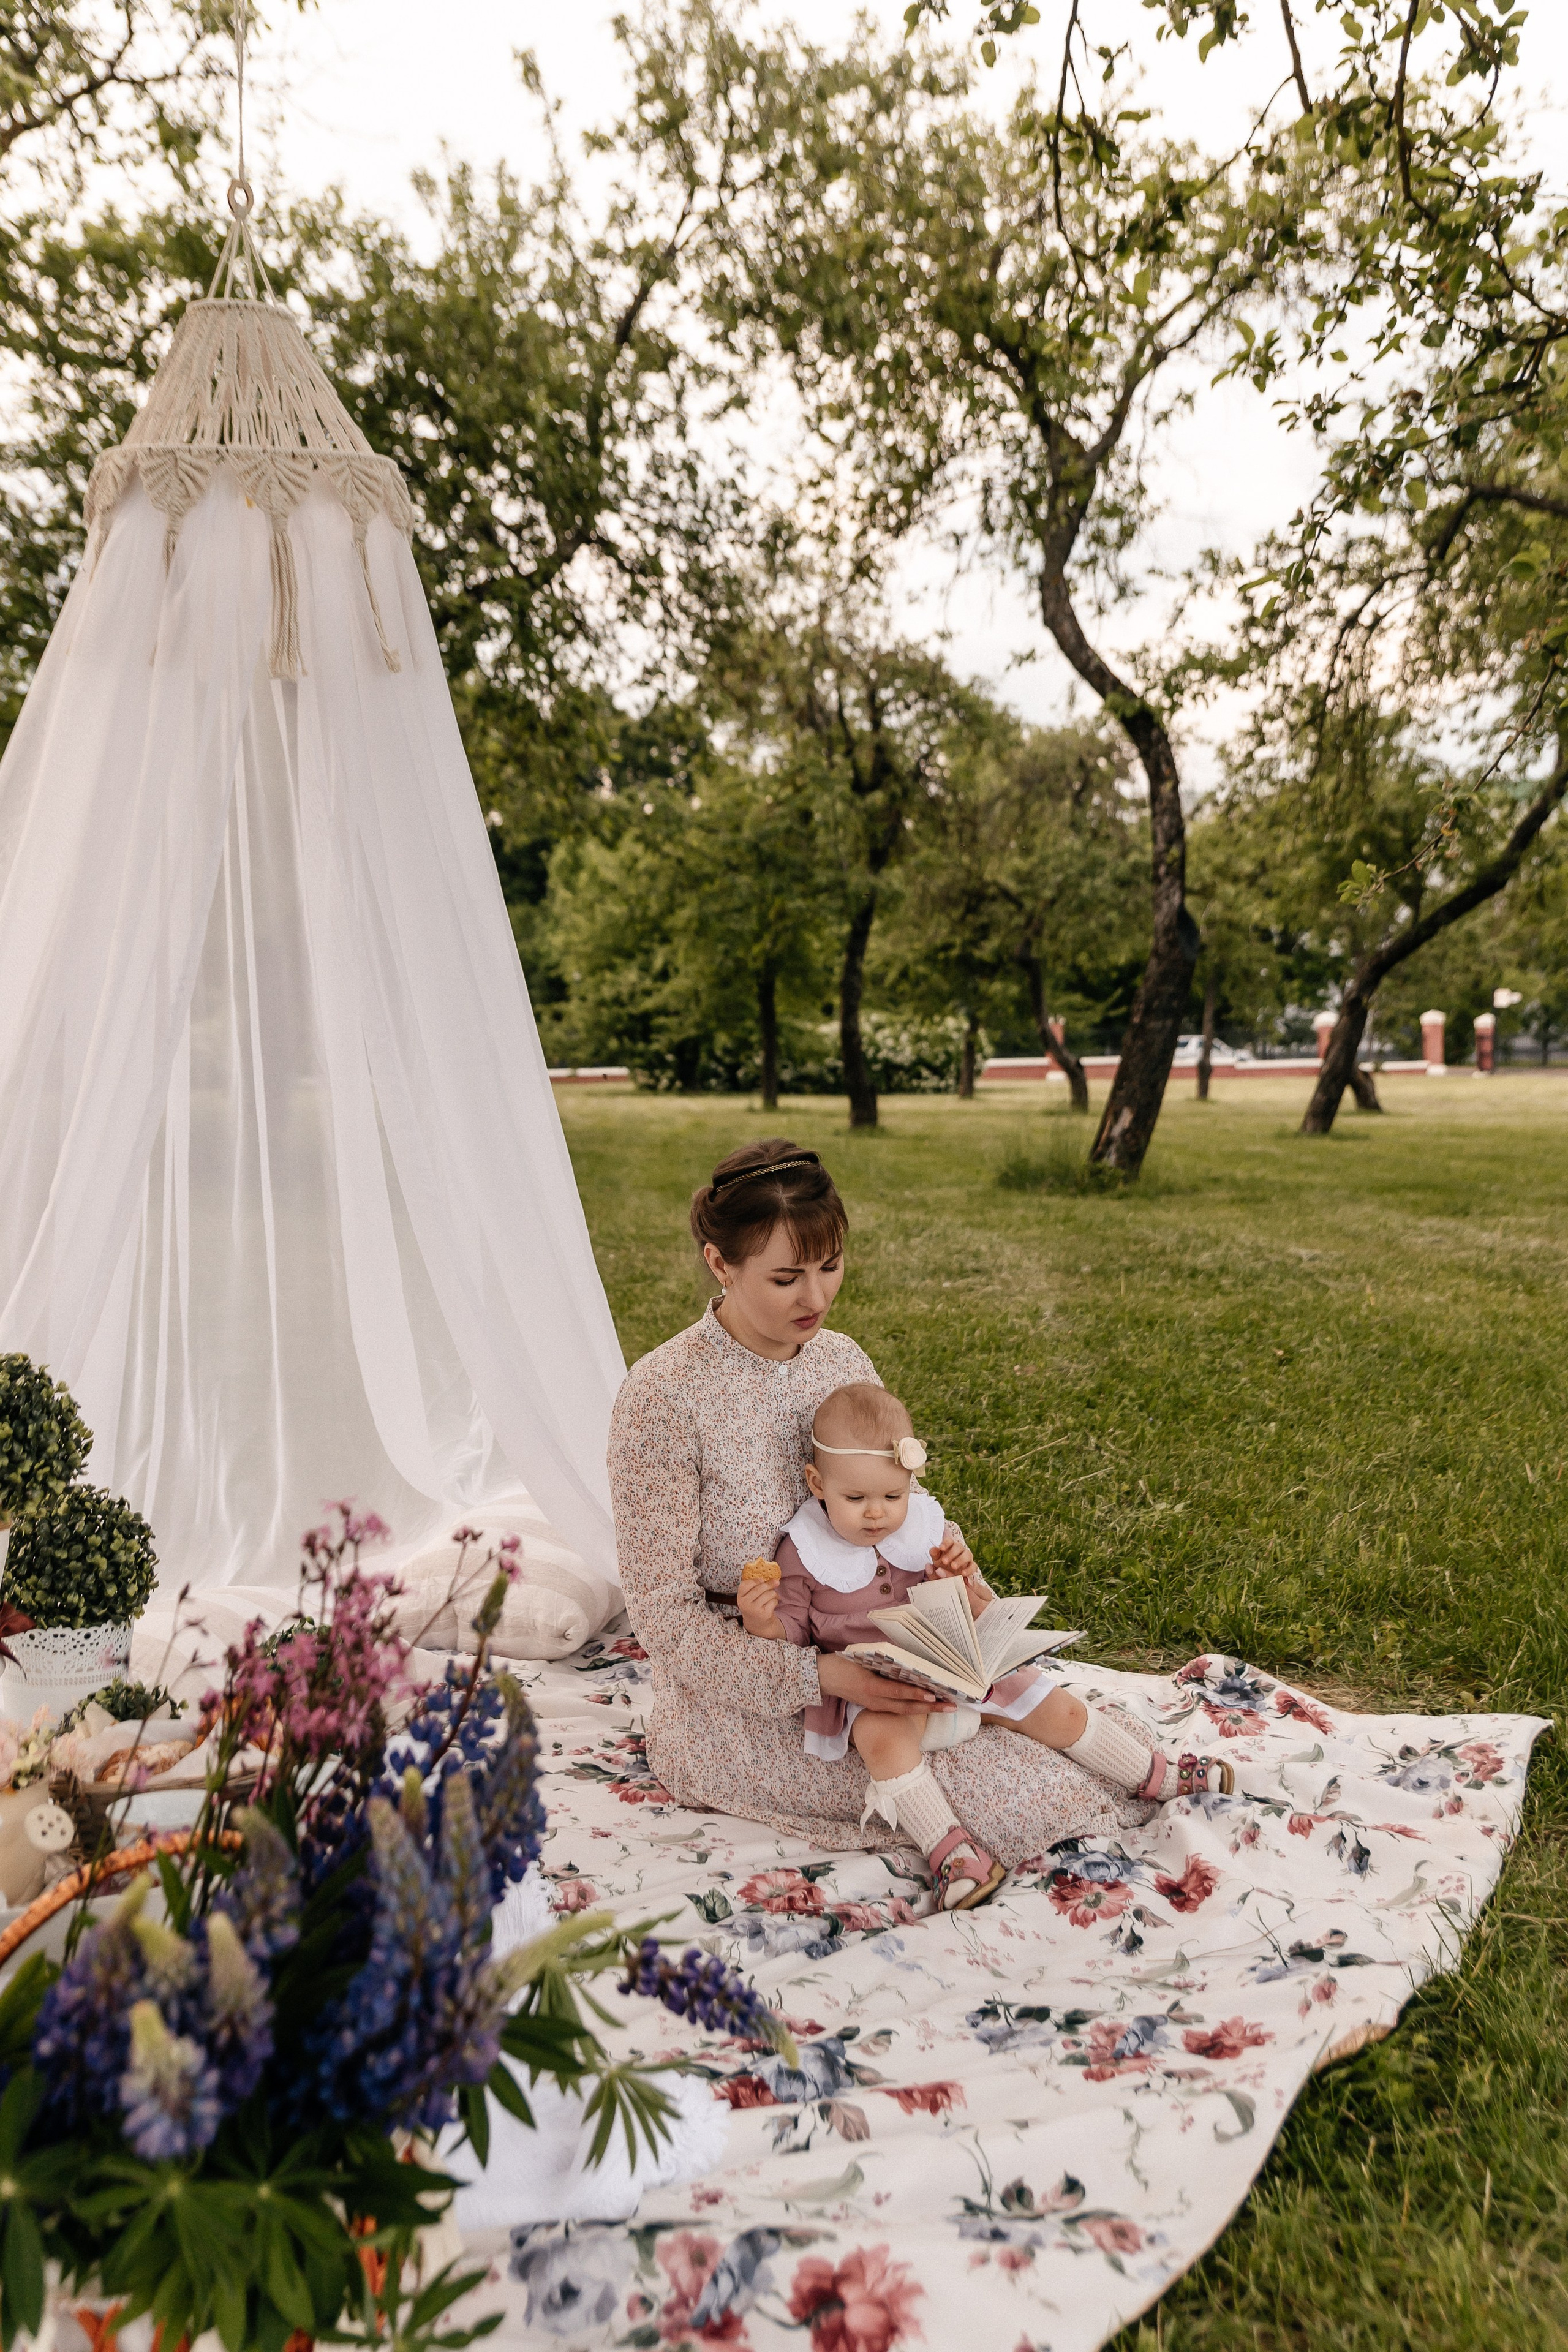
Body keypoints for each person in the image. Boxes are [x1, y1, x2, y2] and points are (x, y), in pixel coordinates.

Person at [606, 1137, 1184, 1876]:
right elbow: (663, 1617)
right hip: (752, 1680)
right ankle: (950, 1848)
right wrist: (822, 1677)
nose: (815, 1299)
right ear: (721, 1264)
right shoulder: (661, 1397)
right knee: (1022, 1798)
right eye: (785, 1278)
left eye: (830, 1267)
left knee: (1056, 1739)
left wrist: (952, 1576)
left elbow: (893, 1503)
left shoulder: (842, 1359)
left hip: (885, 1640)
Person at [737, 1380, 1232, 1910]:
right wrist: (762, 1622)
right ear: (817, 1482)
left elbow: (969, 1604)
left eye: (892, 1496)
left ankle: (1153, 1773)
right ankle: (952, 1850)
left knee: (1051, 1704)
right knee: (880, 1743)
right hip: (875, 1684)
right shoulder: (802, 1547)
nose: (876, 1514)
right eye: (855, 1499)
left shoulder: (923, 1525)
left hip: (949, 1661)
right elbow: (792, 1632)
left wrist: (962, 1582)